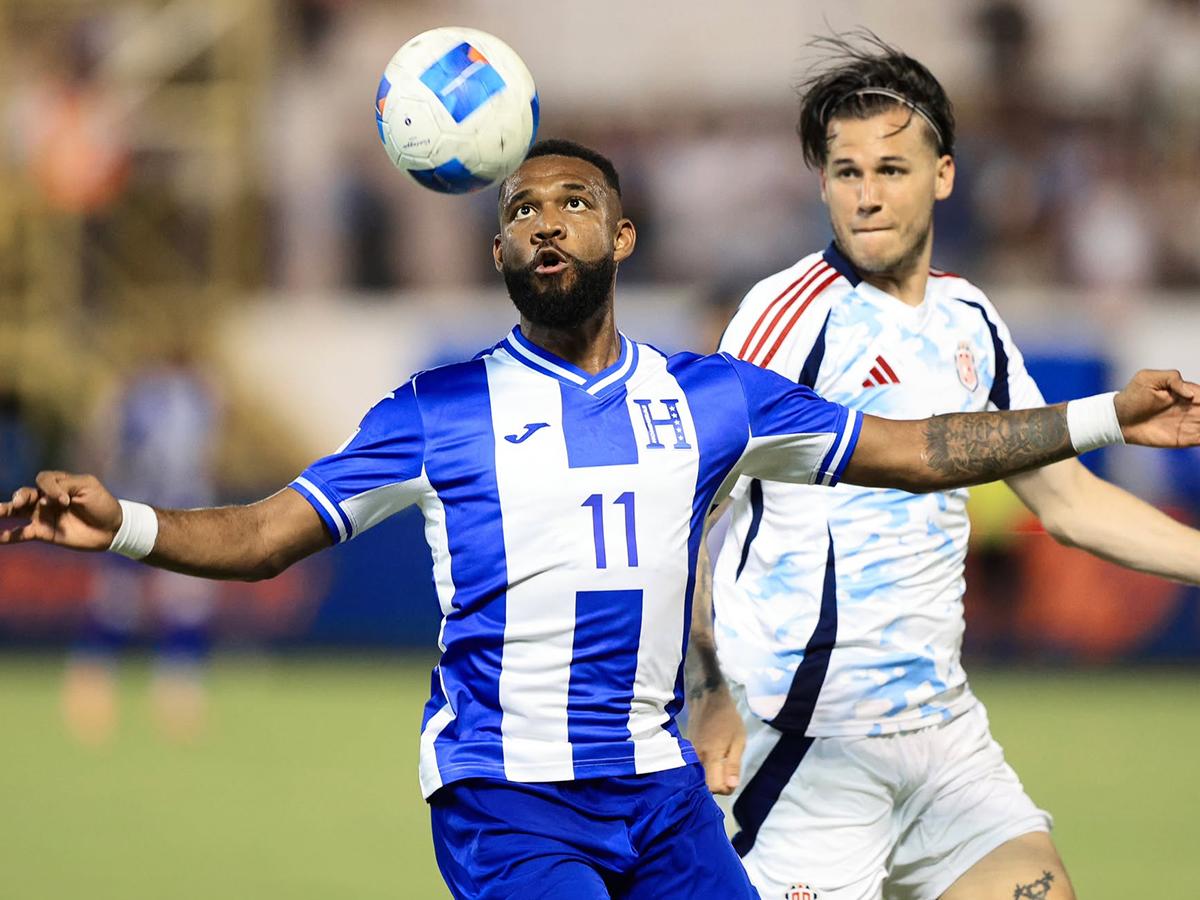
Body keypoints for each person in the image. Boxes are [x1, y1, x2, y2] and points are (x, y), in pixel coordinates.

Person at [2, 139, 1197, 900]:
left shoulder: (711, 396)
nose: (547, 220)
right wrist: (130, 527)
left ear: (622, 239)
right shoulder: (437, 410)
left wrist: (1099, 418)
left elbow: (923, 451)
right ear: (501, 249)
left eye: (576, 202)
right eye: (524, 210)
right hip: (508, 798)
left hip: (661, 792)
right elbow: (268, 537)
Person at [685, 36, 1200, 900]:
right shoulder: (784, 320)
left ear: (944, 175)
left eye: (892, 168)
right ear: (822, 185)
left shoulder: (971, 320)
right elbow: (687, 511)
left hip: (943, 736)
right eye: (846, 172)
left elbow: (1069, 503)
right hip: (812, 742)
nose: (868, 195)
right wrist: (708, 685)